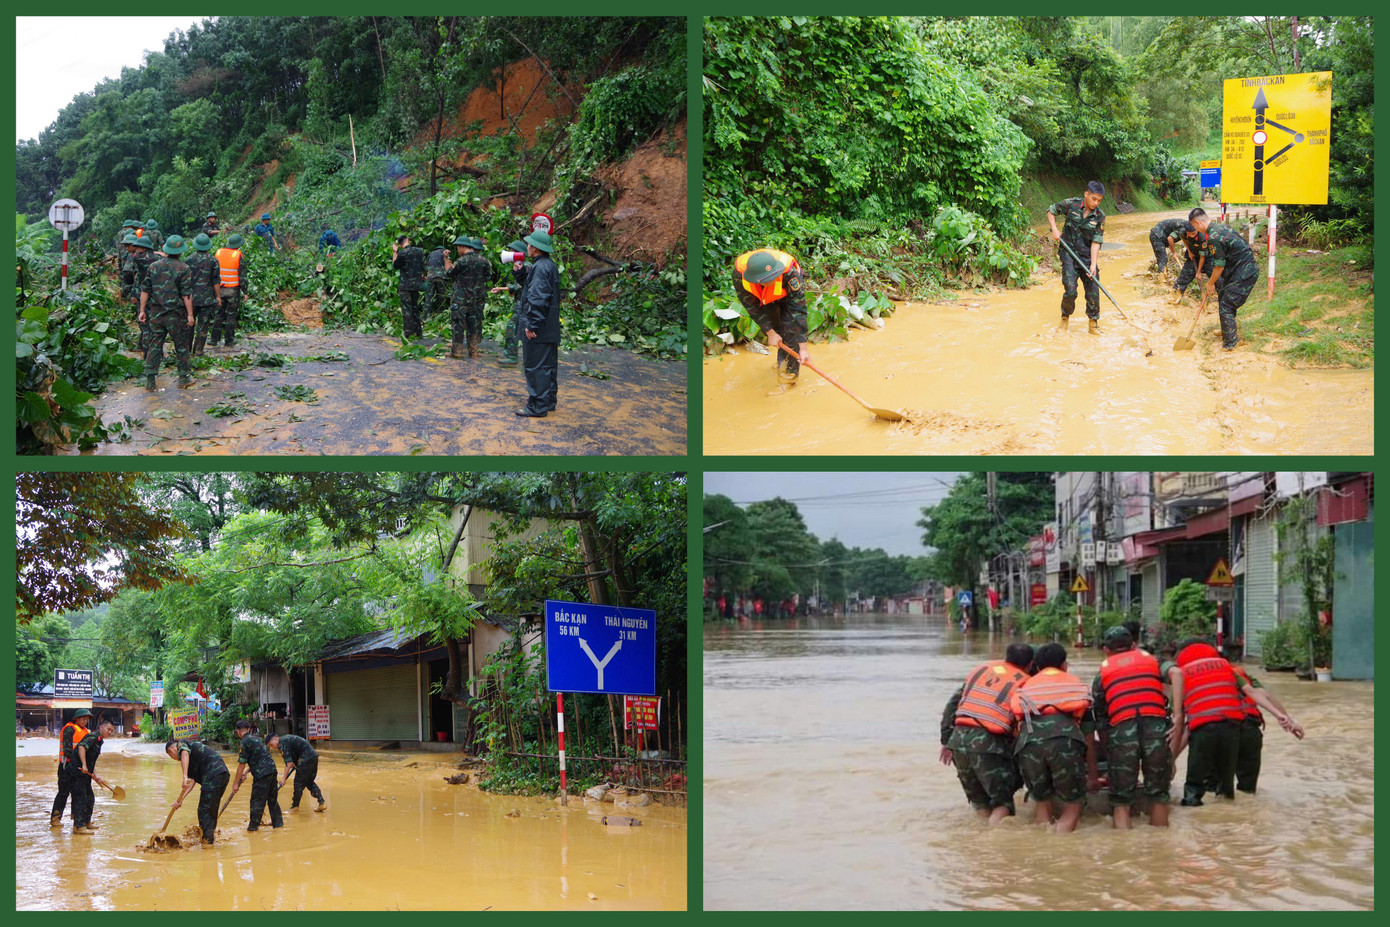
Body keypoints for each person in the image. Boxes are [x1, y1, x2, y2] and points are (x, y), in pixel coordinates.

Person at [939, 643, 1035, 823]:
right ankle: (992, 845)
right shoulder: (1025, 683)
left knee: (980, 803)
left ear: (1006, 657)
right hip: (988, 743)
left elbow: (951, 706)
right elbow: (1025, 725)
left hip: (958, 741)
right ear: (1030, 664)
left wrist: (946, 741)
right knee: (1002, 805)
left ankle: (979, 841)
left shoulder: (981, 671)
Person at [1091, 627, 1174, 828]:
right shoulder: (1154, 662)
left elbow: (1101, 722)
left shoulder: (1101, 675)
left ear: (1106, 650)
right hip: (1156, 731)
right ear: (1134, 646)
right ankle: (1162, 849)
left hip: (1122, 735)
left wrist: (1108, 751)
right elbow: (1176, 675)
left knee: (1121, 801)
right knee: (1159, 796)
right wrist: (1178, 716)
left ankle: (1125, 851)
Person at [1010, 643, 1092, 832]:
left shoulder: (1025, 686)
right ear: (1064, 665)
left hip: (1028, 744)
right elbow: (1088, 736)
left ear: (1037, 667)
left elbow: (1017, 725)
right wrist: (1093, 776)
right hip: (1065, 740)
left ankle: (1044, 848)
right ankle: (1060, 849)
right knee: (1073, 804)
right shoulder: (1076, 685)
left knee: (1042, 802)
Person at [731, 248, 809, 381]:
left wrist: (803, 348)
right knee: (777, 328)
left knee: (790, 330)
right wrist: (770, 333)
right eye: (765, 280)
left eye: (772, 277)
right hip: (765, 298)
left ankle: (789, 376)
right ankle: (782, 361)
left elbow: (798, 310)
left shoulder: (790, 274)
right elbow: (752, 307)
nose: (770, 282)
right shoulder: (740, 276)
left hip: (786, 294)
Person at [1187, 208, 1258, 350]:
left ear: (1197, 222)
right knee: (1224, 296)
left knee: (1227, 305)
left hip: (1245, 272)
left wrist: (1210, 283)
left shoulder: (1213, 237)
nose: (1196, 229)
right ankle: (1227, 331)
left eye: (1194, 227)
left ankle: (1230, 344)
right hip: (1238, 269)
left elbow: (1219, 266)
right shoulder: (1221, 227)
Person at [1229, 662, 1305, 794]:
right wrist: (1290, 722)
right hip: (1250, 729)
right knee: (1247, 789)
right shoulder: (1241, 673)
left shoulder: (1194, 674)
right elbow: (1265, 695)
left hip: (1221, 729)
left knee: (1216, 788)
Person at [1046, 181, 1107, 333]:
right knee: (1071, 290)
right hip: (1068, 254)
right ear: (1086, 194)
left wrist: (1093, 264)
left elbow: (1096, 242)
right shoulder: (1071, 204)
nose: (1096, 203)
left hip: (1087, 256)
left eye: (1099, 200)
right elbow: (1051, 210)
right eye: (1093, 198)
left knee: (1093, 287)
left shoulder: (1099, 216)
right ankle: (1065, 319)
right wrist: (1054, 229)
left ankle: (1093, 324)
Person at [138, 234, 196, 390]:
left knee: (154, 346)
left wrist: (142, 310)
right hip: (176, 315)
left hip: (156, 314)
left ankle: (150, 381)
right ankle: (183, 378)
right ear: (180, 251)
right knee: (181, 346)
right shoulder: (184, 268)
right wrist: (190, 314)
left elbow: (145, 290)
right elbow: (186, 294)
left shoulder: (154, 267)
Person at [516, 230, 562, 418]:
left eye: (529, 244)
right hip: (549, 325)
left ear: (534, 247)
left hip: (540, 327)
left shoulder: (540, 268)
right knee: (548, 365)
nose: (527, 247)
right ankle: (548, 400)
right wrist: (519, 274)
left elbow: (537, 296)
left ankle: (537, 406)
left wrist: (532, 325)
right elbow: (533, 287)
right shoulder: (548, 265)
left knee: (535, 366)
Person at [166, 737, 230, 845]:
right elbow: (192, 783)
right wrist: (180, 800)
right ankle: (209, 836)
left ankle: (207, 843)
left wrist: (184, 776)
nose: (174, 759)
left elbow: (184, 753)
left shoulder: (182, 744)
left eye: (171, 756)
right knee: (210, 809)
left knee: (204, 810)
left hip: (213, 774)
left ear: (171, 751)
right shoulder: (192, 760)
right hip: (221, 775)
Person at [443, 236, 494, 359]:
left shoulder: (461, 261)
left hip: (461, 299)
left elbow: (449, 273)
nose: (458, 250)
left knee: (458, 325)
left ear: (461, 247)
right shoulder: (484, 261)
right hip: (477, 299)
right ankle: (474, 352)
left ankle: (457, 352)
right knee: (474, 325)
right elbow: (488, 277)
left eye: (458, 247)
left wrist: (446, 259)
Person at [231, 719, 283, 831]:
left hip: (262, 775)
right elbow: (259, 759)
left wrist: (235, 784)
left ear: (238, 732)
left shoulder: (244, 742)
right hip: (272, 770)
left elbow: (241, 764)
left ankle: (253, 829)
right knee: (272, 800)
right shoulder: (257, 739)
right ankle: (278, 826)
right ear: (249, 729)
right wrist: (245, 773)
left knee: (256, 802)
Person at [71, 718, 116, 835]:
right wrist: (84, 765)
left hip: (85, 773)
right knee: (81, 798)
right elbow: (81, 747)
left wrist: (96, 775)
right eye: (108, 729)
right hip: (77, 771)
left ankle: (86, 822)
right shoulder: (93, 737)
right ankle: (78, 826)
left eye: (112, 730)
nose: (110, 732)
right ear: (101, 728)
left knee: (90, 797)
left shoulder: (99, 741)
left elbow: (92, 760)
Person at [490, 239, 530, 366]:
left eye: (513, 251)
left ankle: (512, 356)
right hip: (522, 303)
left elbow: (519, 286)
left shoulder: (526, 266)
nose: (511, 253)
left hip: (524, 304)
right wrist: (501, 289)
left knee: (511, 329)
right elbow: (517, 286)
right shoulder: (523, 265)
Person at [50, 709, 93, 828]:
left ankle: (77, 819)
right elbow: (68, 750)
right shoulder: (69, 729)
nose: (85, 721)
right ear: (77, 719)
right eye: (83, 718)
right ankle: (55, 818)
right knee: (63, 793)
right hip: (66, 766)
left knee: (78, 793)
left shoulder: (85, 731)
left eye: (87, 719)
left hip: (79, 767)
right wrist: (77, 764)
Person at [185, 234, 223, 356]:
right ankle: (198, 350)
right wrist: (218, 297)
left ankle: (186, 350)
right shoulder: (213, 260)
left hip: (191, 299)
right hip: (207, 299)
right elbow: (216, 281)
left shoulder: (188, 259)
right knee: (203, 326)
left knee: (189, 324)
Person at [267, 732, 326, 812]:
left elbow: (289, 763)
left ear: (276, 739)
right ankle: (322, 802)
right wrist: (295, 762)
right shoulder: (286, 739)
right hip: (313, 757)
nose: (273, 747)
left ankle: (295, 806)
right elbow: (293, 756)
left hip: (305, 758)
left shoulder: (282, 743)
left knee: (298, 783)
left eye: (271, 744)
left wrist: (283, 778)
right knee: (309, 782)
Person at [213, 234, 249, 348]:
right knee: (231, 316)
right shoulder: (237, 255)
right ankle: (229, 340)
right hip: (233, 290)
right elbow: (242, 275)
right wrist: (245, 291)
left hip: (219, 289)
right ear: (238, 245)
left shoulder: (218, 252)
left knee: (218, 314)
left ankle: (214, 339)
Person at [391, 234, 428, 339]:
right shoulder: (419, 251)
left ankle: (408, 333)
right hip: (417, 285)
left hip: (405, 286)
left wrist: (395, 252)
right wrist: (424, 275)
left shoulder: (402, 253)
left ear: (400, 244)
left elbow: (394, 266)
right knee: (415, 307)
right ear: (408, 240)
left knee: (407, 309)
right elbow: (425, 266)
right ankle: (418, 332)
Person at [1173, 225, 1213, 300]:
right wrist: (1189, 251)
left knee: (1217, 278)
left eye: (1194, 233)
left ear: (1197, 230)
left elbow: (1202, 257)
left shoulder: (1202, 237)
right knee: (1184, 276)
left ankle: (1223, 298)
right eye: (1189, 234)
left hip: (1207, 257)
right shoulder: (1183, 232)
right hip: (1193, 254)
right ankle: (1176, 294)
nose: (1191, 236)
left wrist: (1198, 272)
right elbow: (1184, 239)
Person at [425, 243, 449, 320]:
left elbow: (426, 265)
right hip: (441, 277)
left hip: (430, 277)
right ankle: (440, 315)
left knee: (429, 297)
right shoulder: (445, 252)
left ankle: (426, 316)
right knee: (441, 296)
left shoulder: (431, 254)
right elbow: (448, 264)